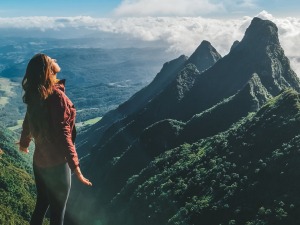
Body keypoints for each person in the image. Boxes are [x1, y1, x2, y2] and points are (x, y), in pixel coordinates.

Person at [18, 53, 92, 225]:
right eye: (51, 61)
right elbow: (64, 134)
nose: (55, 61)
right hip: (57, 165)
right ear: (48, 70)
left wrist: (24, 142)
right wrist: (76, 169)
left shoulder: (36, 94)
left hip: (39, 162)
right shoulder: (56, 96)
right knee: (58, 213)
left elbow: (29, 119)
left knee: (41, 204)